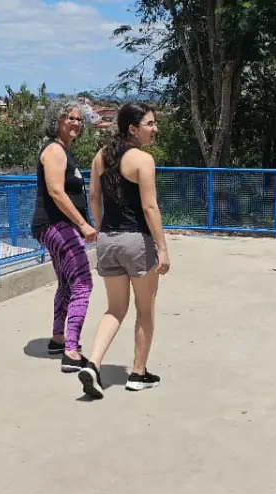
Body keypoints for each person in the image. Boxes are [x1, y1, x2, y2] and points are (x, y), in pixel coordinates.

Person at [77, 102, 169, 399]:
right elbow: (149, 206)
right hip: (136, 242)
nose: (155, 129)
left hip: (107, 240)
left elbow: (93, 197)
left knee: (114, 309)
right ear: (133, 128)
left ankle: (92, 363)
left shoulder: (100, 157)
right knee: (145, 310)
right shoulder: (143, 160)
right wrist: (163, 248)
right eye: (150, 124)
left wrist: (102, 228)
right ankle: (138, 373)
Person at [32, 101, 97, 374]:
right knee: (83, 282)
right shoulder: (55, 150)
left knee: (66, 284)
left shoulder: (63, 151)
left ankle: (58, 339)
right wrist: (83, 225)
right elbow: (56, 192)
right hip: (57, 225)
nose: (76, 124)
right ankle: (72, 351)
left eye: (80, 120)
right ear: (57, 120)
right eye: (71, 118)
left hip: (55, 225)